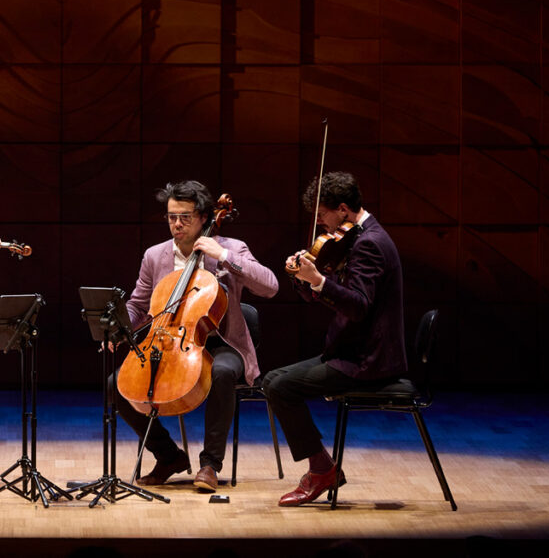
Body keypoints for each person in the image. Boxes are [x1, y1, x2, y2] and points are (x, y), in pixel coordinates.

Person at [114, 180, 279, 491]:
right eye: (171, 217)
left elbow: (270, 286)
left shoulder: (231, 248)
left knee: (221, 372)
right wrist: (119, 328)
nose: (176, 224)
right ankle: (168, 456)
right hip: (170, 342)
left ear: (204, 217)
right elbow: (139, 305)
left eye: (185, 217)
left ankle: (210, 464)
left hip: (223, 343)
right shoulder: (155, 256)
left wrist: (224, 256)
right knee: (118, 385)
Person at [263, 171, 407, 506]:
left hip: (368, 361)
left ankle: (321, 470)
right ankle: (322, 466)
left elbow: (358, 306)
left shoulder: (370, 243)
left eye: (322, 214)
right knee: (271, 381)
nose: (319, 223)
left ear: (343, 209)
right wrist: (305, 278)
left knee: (281, 387)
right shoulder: (358, 237)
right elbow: (336, 293)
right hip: (352, 351)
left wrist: (319, 281)